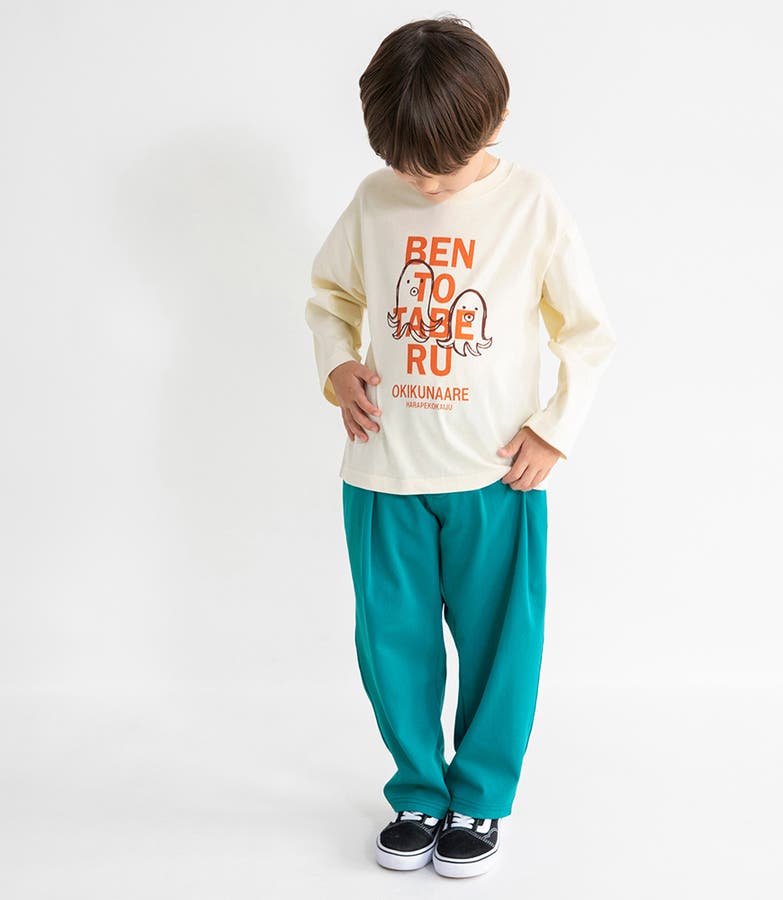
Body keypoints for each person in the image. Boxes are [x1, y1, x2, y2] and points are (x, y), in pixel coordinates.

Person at [304, 15, 616, 878]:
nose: (426, 183)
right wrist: (337, 366)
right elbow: (330, 295)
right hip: (383, 472)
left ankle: (478, 797)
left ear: (496, 122)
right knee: (391, 646)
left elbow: (587, 334)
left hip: (496, 476)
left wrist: (554, 429)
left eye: (441, 166)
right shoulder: (375, 200)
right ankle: (418, 790)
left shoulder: (531, 204)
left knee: (500, 648)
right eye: (410, 167)